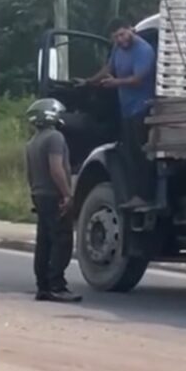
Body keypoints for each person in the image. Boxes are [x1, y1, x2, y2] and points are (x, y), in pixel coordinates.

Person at [86, 17, 157, 208]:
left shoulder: (144, 50)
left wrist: (115, 83)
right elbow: (109, 68)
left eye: (122, 34)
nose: (120, 40)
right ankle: (131, 195)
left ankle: (144, 195)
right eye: (116, 37)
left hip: (143, 110)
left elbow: (138, 80)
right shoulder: (119, 49)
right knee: (129, 155)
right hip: (126, 111)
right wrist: (90, 81)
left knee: (141, 156)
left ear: (130, 30)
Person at [24, 98, 82, 303]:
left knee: (44, 242)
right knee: (62, 241)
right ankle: (57, 286)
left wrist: (34, 195)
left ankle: (43, 287)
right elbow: (56, 168)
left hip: (39, 195)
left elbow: (30, 174)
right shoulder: (55, 137)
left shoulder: (33, 141)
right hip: (54, 195)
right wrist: (67, 194)